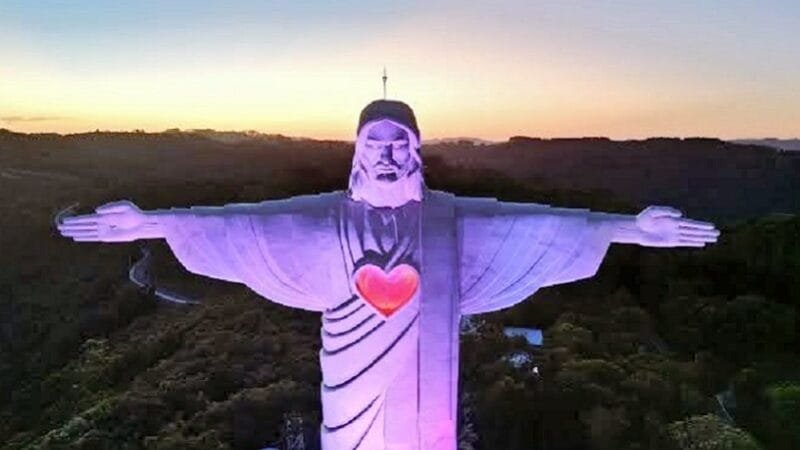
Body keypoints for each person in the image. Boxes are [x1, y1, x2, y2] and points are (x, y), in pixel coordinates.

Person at [58, 100, 719, 450]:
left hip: (428, 412)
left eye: (401, 143)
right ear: (355, 156)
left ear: (419, 154)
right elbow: (243, 221)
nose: (388, 153)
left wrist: (630, 226)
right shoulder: (324, 217)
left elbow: (536, 221)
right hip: (346, 405)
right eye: (374, 144)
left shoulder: (450, 220)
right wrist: (151, 221)